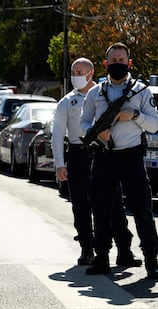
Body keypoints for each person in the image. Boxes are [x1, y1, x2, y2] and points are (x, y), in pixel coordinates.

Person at [53, 57, 141, 268]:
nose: (76, 75)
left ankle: (124, 250)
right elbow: (57, 133)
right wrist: (59, 164)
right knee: (81, 204)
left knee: (114, 204)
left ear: (90, 73)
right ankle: (87, 248)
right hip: (78, 153)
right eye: (73, 71)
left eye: (80, 71)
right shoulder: (67, 101)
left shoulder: (104, 95)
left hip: (104, 153)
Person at [80, 42, 158, 278]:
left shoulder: (141, 91)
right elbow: (83, 125)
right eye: (113, 61)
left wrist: (135, 115)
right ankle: (101, 257)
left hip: (132, 157)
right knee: (101, 208)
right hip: (104, 157)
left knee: (142, 209)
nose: (117, 64)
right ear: (106, 64)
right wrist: (96, 132)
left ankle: (151, 260)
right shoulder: (95, 93)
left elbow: (155, 125)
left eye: (121, 60)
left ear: (129, 63)